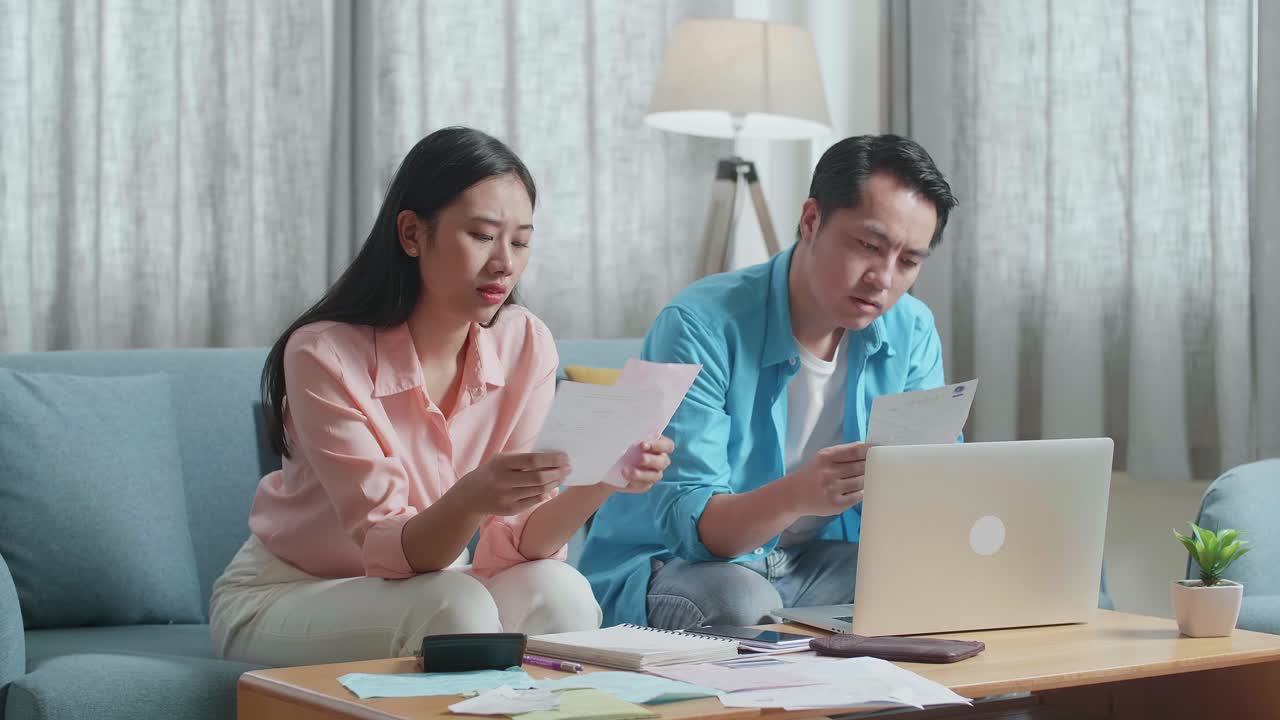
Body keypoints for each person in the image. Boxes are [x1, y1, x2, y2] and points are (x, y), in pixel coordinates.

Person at [210, 127, 675, 666]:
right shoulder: (323, 354)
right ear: (411, 233)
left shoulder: (525, 342)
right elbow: (389, 546)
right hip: (289, 593)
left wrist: (604, 479)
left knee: (561, 590)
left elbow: (517, 543)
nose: (504, 263)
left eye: (520, 242)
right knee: (456, 607)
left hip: (430, 586)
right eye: (482, 235)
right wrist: (471, 498)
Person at [578, 134, 959, 629]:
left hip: (814, 564)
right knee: (738, 601)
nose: (884, 279)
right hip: (679, 565)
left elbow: (929, 483)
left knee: (942, 582)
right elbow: (697, 531)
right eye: (869, 246)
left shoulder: (912, 329)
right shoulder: (698, 324)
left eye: (908, 261)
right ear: (811, 220)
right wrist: (799, 494)